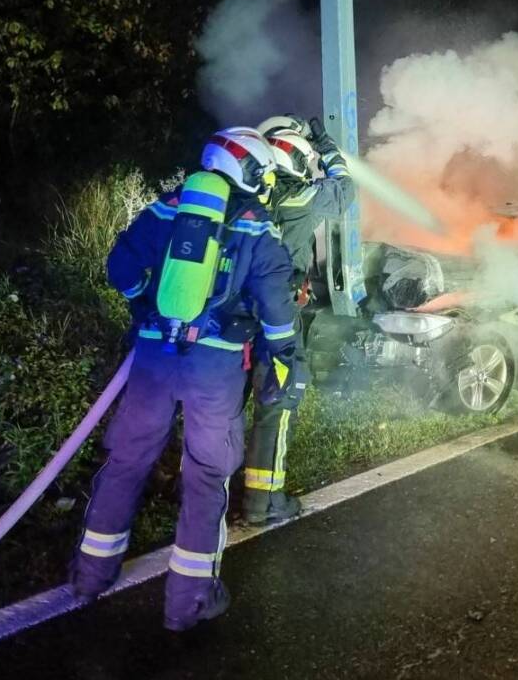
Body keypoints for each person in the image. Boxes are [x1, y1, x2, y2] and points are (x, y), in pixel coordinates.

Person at [69, 126, 303, 631]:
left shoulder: (166, 207)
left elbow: (120, 267)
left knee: (126, 461)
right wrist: (287, 359)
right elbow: (278, 314)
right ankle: (188, 603)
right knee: (205, 476)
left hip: (153, 358)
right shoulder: (256, 225)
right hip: (214, 369)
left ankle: (90, 576)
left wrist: (144, 306)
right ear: (250, 170)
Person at [239, 115, 356, 526]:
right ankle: (264, 503)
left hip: (234, 318)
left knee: (226, 408)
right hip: (278, 318)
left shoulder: (247, 201)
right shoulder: (301, 198)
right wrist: (327, 148)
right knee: (276, 405)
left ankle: (209, 495)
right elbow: (345, 189)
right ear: (295, 158)